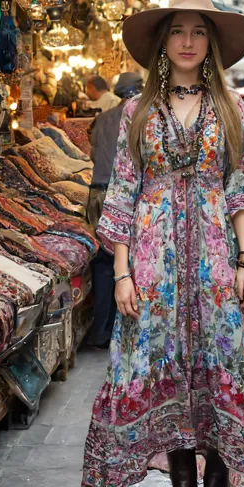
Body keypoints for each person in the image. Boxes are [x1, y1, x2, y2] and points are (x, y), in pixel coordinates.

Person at [81, 0, 244, 487]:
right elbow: (123, 191)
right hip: (152, 260)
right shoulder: (137, 111)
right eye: (178, 31)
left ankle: (217, 475)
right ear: (164, 43)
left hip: (216, 258)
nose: (189, 41)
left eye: (198, 32)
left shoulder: (232, 109)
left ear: (211, 43)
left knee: (224, 361)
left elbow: (242, 187)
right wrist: (121, 271)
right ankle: (181, 484)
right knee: (159, 365)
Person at [87, 72, 144, 349]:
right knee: (127, 260)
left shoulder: (102, 118)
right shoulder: (141, 116)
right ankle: (125, 324)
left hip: (98, 192)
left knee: (102, 262)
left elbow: (93, 154)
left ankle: (101, 330)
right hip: (124, 194)